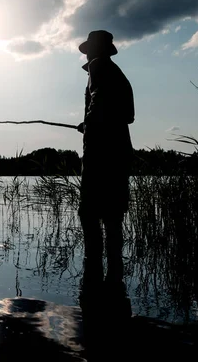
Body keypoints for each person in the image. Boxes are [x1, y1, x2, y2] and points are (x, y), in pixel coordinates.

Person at [76, 30, 134, 307]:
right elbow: (127, 115)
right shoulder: (116, 73)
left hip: (101, 152)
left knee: (89, 211)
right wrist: (88, 122)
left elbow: (99, 104)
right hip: (118, 150)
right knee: (112, 213)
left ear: (96, 49)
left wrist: (91, 123)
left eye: (90, 48)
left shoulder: (99, 68)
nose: (87, 53)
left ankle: (94, 272)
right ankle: (113, 277)